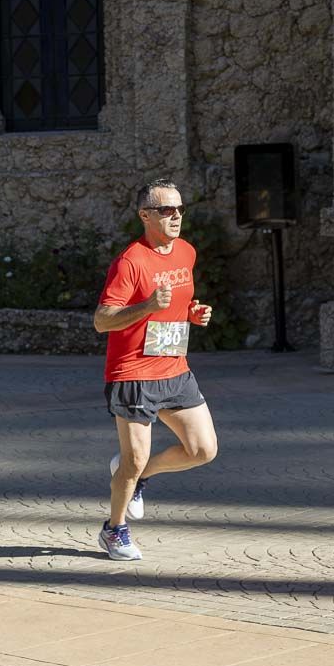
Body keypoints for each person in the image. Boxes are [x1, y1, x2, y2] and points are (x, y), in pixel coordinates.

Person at [92, 179, 219, 560]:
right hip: (133, 374)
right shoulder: (130, 261)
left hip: (175, 369)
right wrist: (146, 306)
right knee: (130, 461)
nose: (176, 216)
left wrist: (191, 313)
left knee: (202, 450)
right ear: (145, 215)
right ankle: (114, 530)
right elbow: (102, 320)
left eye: (180, 209)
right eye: (166, 210)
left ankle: (144, 476)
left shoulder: (186, 253)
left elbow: (176, 304)